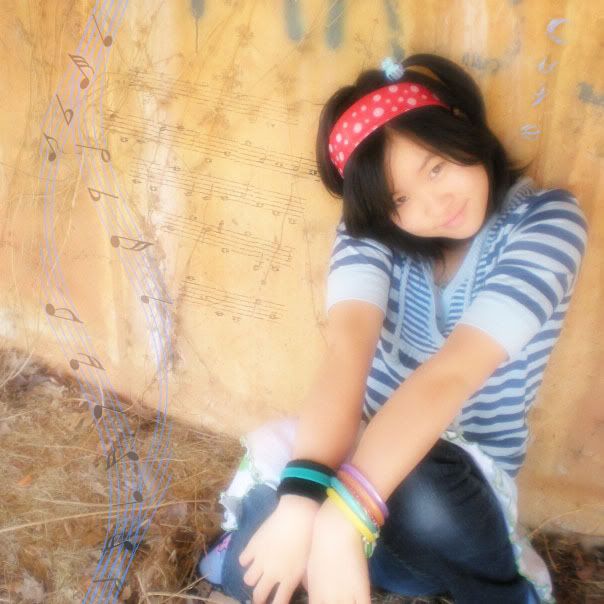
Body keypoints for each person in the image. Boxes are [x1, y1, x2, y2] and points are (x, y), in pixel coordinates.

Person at [197, 53, 588, 603]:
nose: (435, 204)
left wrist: (342, 520)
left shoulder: (547, 222)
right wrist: (302, 505)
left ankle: (503, 593)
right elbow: (347, 349)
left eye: (436, 167)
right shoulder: (374, 230)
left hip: (450, 501)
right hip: (362, 465)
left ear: (462, 130)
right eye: (400, 198)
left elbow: (452, 373)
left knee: (421, 480)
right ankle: (269, 553)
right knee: (276, 517)